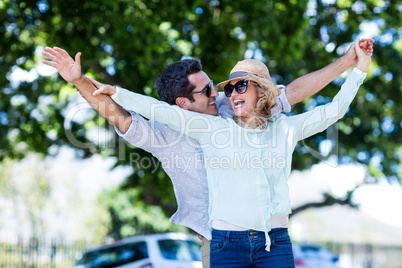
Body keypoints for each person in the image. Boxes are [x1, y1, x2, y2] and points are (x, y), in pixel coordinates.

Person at [42, 39, 373, 268]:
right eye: (207, 91)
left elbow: (292, 95)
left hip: (270, 236)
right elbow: (118, 113)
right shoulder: (164, 134)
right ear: (184, 104)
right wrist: (79, 80)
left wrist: (348, 62)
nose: (219, 93)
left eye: (218, 84)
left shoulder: (234, 105)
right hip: (220, 242)